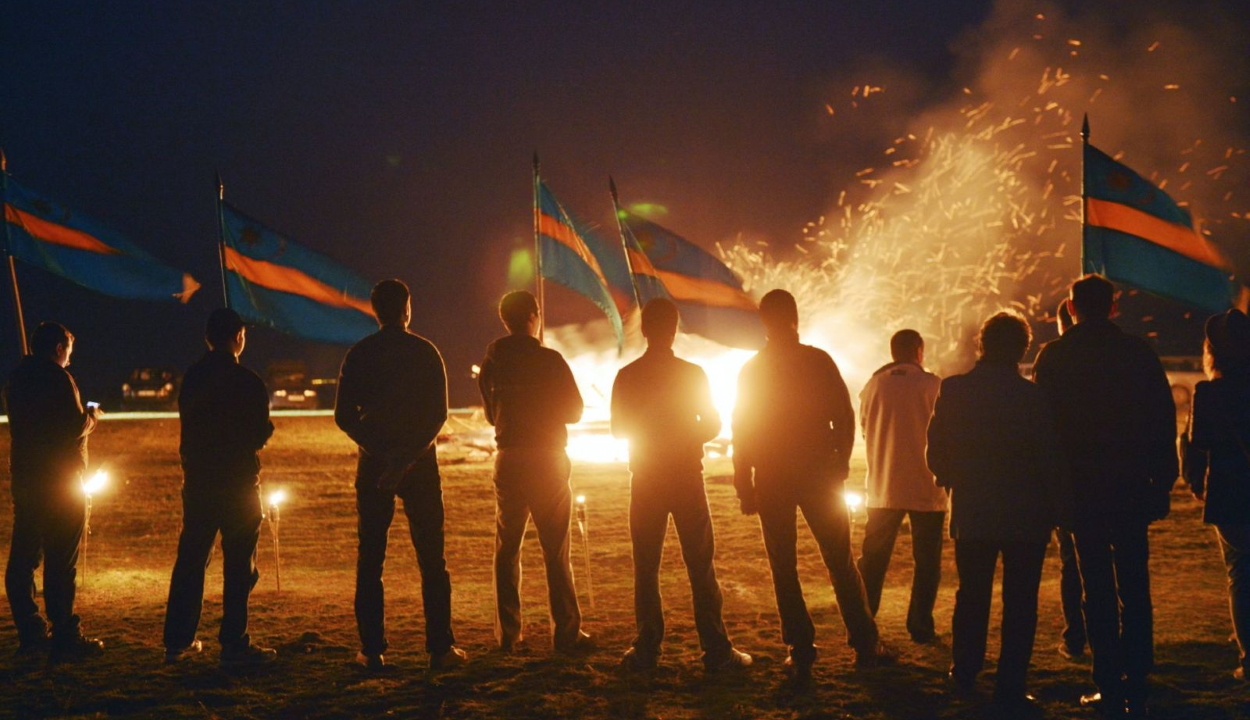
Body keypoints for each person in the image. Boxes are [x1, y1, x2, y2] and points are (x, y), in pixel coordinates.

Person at [1033, 275, 1177, 717]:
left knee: (1095, 585)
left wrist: (1049, 490)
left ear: (1072, 309)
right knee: (1134, 582)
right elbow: (1162, 421)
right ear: (1114, 307)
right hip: (1131, 486)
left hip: (1081, 490)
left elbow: (1043, 430)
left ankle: (1107, 679)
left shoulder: (1055, 355)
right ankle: (1138, 674)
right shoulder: (1138, 353)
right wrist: (1163, 481)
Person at [732, 289, 892, 673]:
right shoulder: (817, 360)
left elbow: (743, 428)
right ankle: (866, 643)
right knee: (839, 559)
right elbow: (844, 413)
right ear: (795, 318)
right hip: (819, 472)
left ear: (764, 322)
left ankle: (800, 649)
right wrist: (839, 462)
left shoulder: (753, 368)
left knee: (783, 564)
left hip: (772, 476)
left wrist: (744, 483)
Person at [926, 311, 1065, 710]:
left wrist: (950, 479)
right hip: (1026, 514)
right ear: (1022, 349)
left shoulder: (954, 390)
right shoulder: (1033, 397)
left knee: (972, 595)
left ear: (982, 345)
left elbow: (936, 449)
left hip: (974, 511)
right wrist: (1057, 507)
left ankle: (965, 669)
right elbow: (1049, 457)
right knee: (1021, 601)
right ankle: (1011, 682)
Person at [610, 298, 752, 672]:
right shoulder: (691, 374)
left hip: (646, 479)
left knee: (646, 566)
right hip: (687, 477)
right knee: (700, 565)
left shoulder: (627, 376)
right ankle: (717, 650)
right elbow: (712, 423)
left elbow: (618, 429)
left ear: (644, 331)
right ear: (674, 331)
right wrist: (685, 436)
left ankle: (646, 648)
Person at [335, 279, 466, 670]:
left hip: (374, 467)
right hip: (420, 465)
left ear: (375, 310)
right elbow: (438, 415)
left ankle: (372, 650)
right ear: (407, 308)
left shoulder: (359, 354)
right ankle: (440, 649)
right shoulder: (425, 352)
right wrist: (407, 457)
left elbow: (344, 416)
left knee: (370, 558)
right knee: (432, 559)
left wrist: (383, 455)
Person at [478, 290, 591, 654]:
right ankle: (567, 633)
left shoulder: (492, 363)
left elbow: (490, 415)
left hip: (508, 457)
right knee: (555, 550)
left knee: (506, 549)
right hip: (546, 458)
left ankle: (508, 635)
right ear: (532, 315)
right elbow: (574, 411)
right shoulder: (550, 360)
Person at [163, 308, 277, 667]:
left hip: (199, 482)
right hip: (239, 483)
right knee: (241, 565)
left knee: (191, 561)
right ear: (239, 337)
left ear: (208, 338)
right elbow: (258, 434)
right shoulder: (248, 381)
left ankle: (177, 641)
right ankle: (233, 642)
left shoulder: (193, 378)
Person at [4, 322, 104, 662]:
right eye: (69, 353)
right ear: (60, 348)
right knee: (61, 562)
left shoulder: (17, 378)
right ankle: (65, 635)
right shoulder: (58, 378)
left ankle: (31, 633)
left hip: (29, 480)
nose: (70, 361)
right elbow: (71, 428)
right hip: (62, 482)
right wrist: (91, 417)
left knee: (23, 559)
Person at [855, 329, 945, 644]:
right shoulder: (934, 385)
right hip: (927, 485)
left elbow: (865, 430)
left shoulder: (872, 385)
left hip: (883, 484)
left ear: (893, 352)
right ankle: (920, 625)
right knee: (927, 561)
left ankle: (864, 623)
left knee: (874, 560)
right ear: (919, 351)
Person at [1182, 308, 1250, 681]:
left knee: (1241, 575)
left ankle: (1249, 659)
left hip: (1230, 495)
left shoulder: (1210, 392)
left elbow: (1200, 441)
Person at [1049, 299, 1086, 661]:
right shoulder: (1129, 353)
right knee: (1126, 567)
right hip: (1119, 480)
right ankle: (1130, 646)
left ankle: (1076, 638)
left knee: (1073, 564)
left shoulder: (1053, 357)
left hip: (1070, 479)